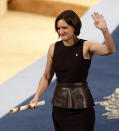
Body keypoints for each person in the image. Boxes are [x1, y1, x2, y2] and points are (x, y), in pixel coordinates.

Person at [30, 10, 116, 131]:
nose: (61, 32)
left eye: (64, 27)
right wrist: (37, 96)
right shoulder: (53, 48)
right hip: (59, 106)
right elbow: (47, 76)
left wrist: (104, 30)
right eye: (58, 28)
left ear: (74, 27)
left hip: (81, 107)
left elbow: (110, 50)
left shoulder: (86, 46)